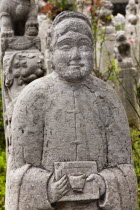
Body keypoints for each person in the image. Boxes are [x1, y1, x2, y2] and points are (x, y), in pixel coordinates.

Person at [6, 11, 138, 210]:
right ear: (51, 52)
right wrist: (48, 187)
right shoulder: (32, 99)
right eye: (66, 46)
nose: (76, 55)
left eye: (84, 46)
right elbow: (18, 173)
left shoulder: (107, 98)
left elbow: (125, 170)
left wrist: (104, 183)